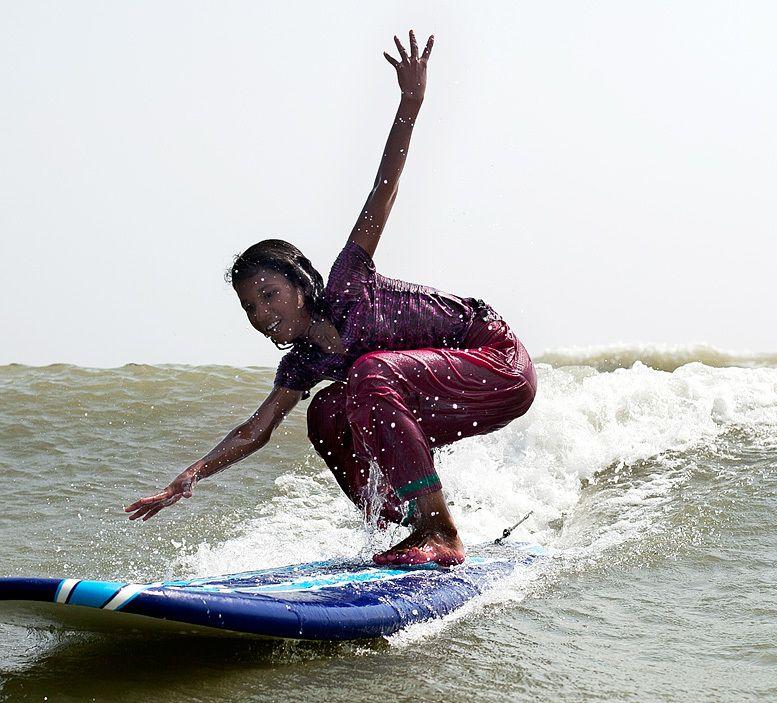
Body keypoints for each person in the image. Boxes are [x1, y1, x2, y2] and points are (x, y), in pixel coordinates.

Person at [125, 30, 536, 566]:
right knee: (325, 411)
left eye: (270, 295)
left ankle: (440, 533)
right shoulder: (304, 362)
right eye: (251, 308)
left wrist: (410, 101)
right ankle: (411, 526)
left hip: (496, 365)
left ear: (301, 284)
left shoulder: (349, 281)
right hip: (440, 391)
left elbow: (382, 189)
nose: (262, 314)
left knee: (369, 374)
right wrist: (187, 477)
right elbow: (258, 428)